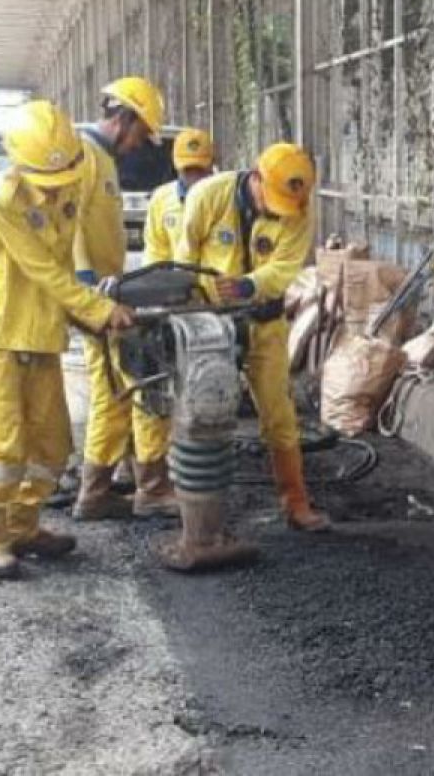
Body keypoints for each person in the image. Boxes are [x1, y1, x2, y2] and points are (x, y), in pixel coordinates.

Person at [0, 100, 135, 580]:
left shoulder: (74, 175)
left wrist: (108, 291)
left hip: (43, 335)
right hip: (0, 337)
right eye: (47, 180)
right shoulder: (2, 199)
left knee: (54, 445)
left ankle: (23, 525)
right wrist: (99, 310)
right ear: (20, 162)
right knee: (3, 449)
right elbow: (43, 271)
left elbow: (76, 254)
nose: (57, 189)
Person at [167, 141, 331, 567]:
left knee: (278, 412)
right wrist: (192, 308)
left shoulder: (299, 206)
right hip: (211, 323)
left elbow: (285, 267)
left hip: (263, 322)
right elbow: (184, 258)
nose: (277, 211)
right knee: (201, 411)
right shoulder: (209, 195)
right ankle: (192, 508)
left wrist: (248, 285)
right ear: (255, 178)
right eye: (270, 199)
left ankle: (295, 502)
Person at [70, 75, 167, 521]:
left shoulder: (103, 159)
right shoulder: (83, 156)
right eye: (140, 133)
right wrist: (90, 291)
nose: (139, 146)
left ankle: (123, 480)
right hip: (95, 295)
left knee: (119, 383)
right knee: (113, 387)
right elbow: (68, 226)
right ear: (124, 118)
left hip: (107, 288)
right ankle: (98, 492)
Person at [128, 127, 217, 518]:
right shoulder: (162, 199)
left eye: (200, 170)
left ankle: (193, 472)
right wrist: (158, 295)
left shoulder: (223, 197)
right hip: (168, 306)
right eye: (186, 170)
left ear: (211, 166)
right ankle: (151, 481)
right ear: (176, 168)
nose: (193, 178)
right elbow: (155, 253)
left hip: (211, 310)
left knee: (203, 393)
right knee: (155, 393)